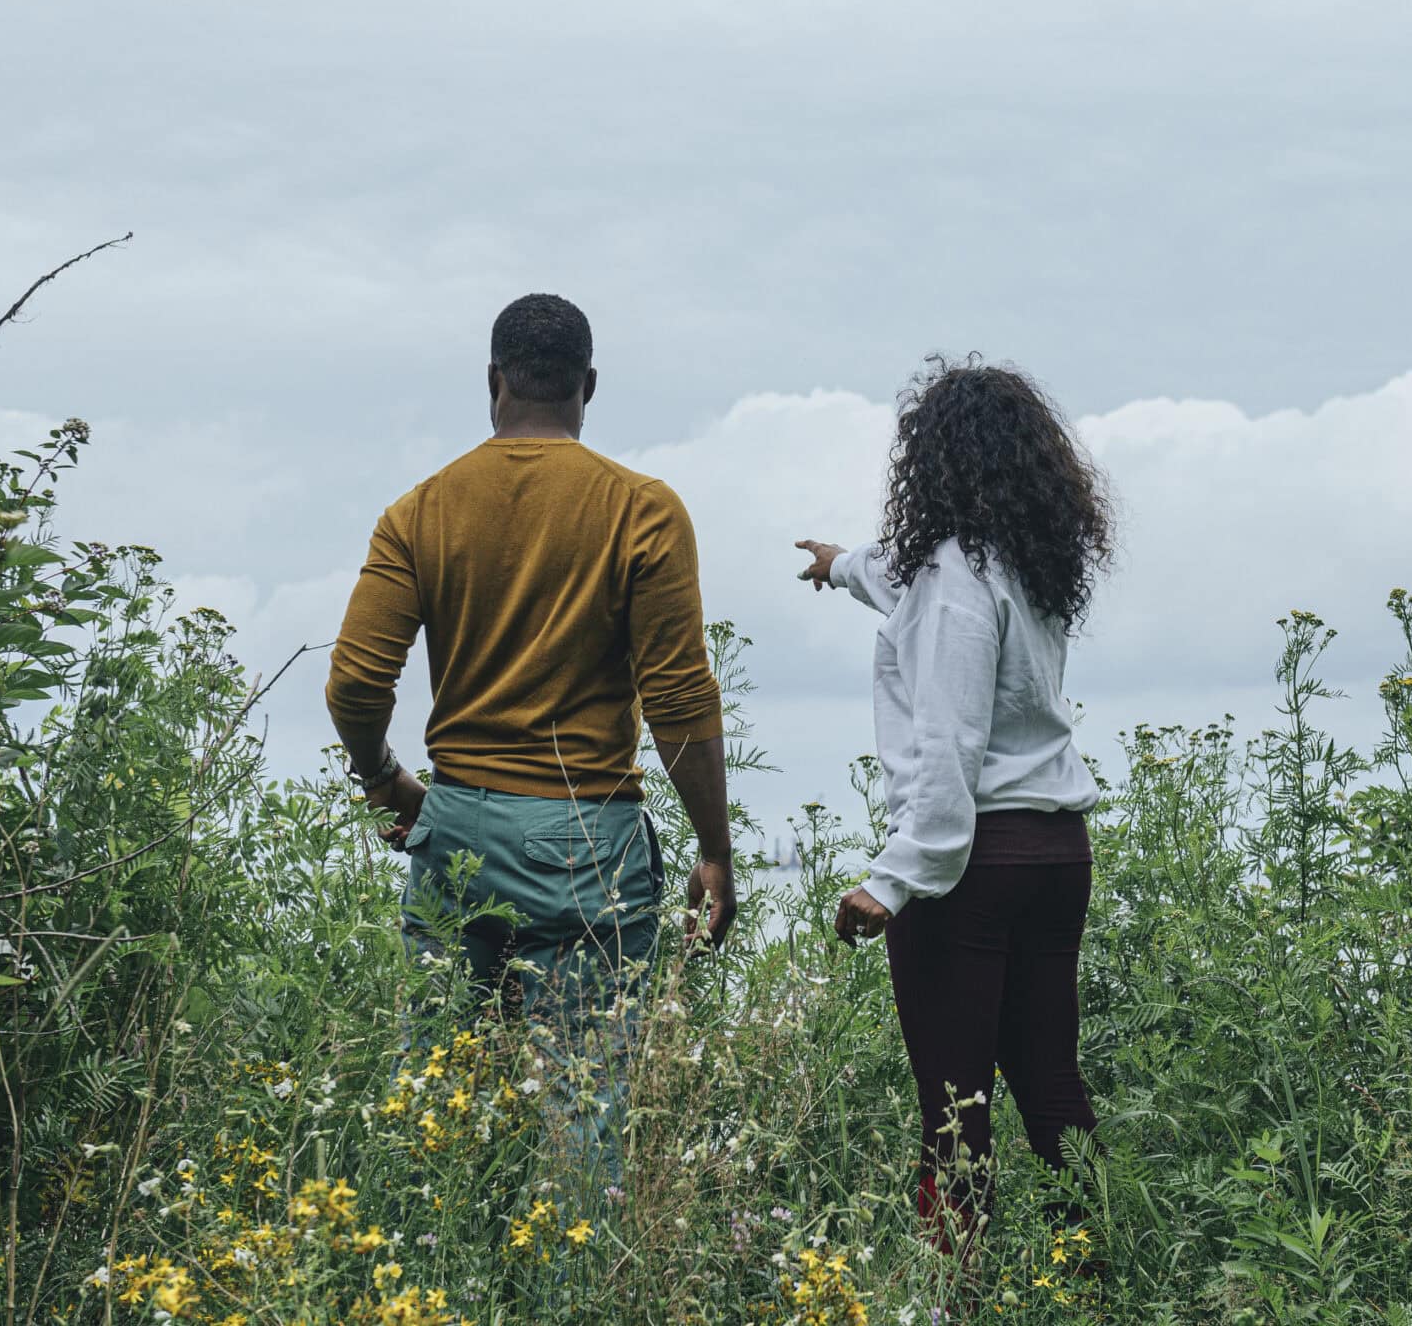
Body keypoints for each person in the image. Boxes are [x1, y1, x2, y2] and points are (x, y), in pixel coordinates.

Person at [325, 292, 737, 1190]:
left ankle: (418, 1276)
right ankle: (574, 1289)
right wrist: (714, 848)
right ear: (588, 387)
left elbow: (355, 683)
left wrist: (389, 783)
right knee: (584, 1114)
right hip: (585, 843)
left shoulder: (420, 511)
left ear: (493, 383)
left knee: (431, 1101)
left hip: (456, 835)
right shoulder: (642, 511)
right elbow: (677, 700)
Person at [794, 354, 1113, 1262]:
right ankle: (1093, 1278)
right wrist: (838, 566)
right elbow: (896, 576)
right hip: (1056, 854)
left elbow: (947, 744)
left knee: (953, 1104)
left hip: (973, 867)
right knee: (1050, 1083)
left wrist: (895, 882)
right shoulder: (1023, 564)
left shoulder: (952, 581)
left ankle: (955, 1294)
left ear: (931, 462)